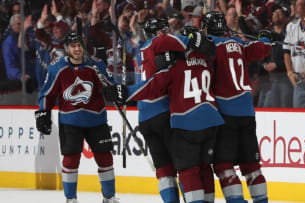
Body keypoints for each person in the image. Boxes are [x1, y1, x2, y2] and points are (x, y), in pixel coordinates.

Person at [103, 25, 223, 203]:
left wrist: (125, 92)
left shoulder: (162, 56)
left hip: (170, 119)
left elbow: (155, 84)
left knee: (176, 170)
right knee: (203, 168)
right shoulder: (208, 61)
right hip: (210, 120)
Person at [34, 32, 120, 203]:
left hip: (96, 119)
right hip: (70, 121)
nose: (77, 49)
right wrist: (43, 111)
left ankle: (109, 197)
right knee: (71, 159)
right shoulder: (58, 67)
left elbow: (112, 85)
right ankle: (71, 198)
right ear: (67, 49)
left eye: (79, 45)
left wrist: (113, 90)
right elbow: (47, 94)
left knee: (105, 158)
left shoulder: (95, 65)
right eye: (73, 46)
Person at [104, 18, 181, 203]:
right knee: (182, 167)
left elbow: (132, 45)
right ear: (160, 32)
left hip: (145, 118)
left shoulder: (140, 50)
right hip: (164, 113)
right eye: (165, 30)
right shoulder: (160, 47)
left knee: (163, 170)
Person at [202, 11, 272, 203]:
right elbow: (263, 48)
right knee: (251, 165)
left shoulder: (210, 45)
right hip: (247, 112)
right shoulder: (240, 44)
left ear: (207, 29)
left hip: (226, 114)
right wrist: (265, 36)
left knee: (224, 165)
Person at [283, 0, 305, 108]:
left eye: (300, 5)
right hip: (298, 78)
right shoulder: (291, 27)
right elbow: (286, 50)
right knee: (298, 113)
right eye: (296, 5)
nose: (296, 8)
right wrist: (289, 72)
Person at [264, 3, 293, 108]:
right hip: (270, 80)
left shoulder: (289, 34)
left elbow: (292, 58)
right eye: (274, 13)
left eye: (280, 13)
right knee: (267, 108)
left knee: (285, 107)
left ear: (286, 18)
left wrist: (277, 65)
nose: (276, 15)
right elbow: (262, 56)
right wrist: (264, 64)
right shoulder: (268, 35)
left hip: (285, 79)